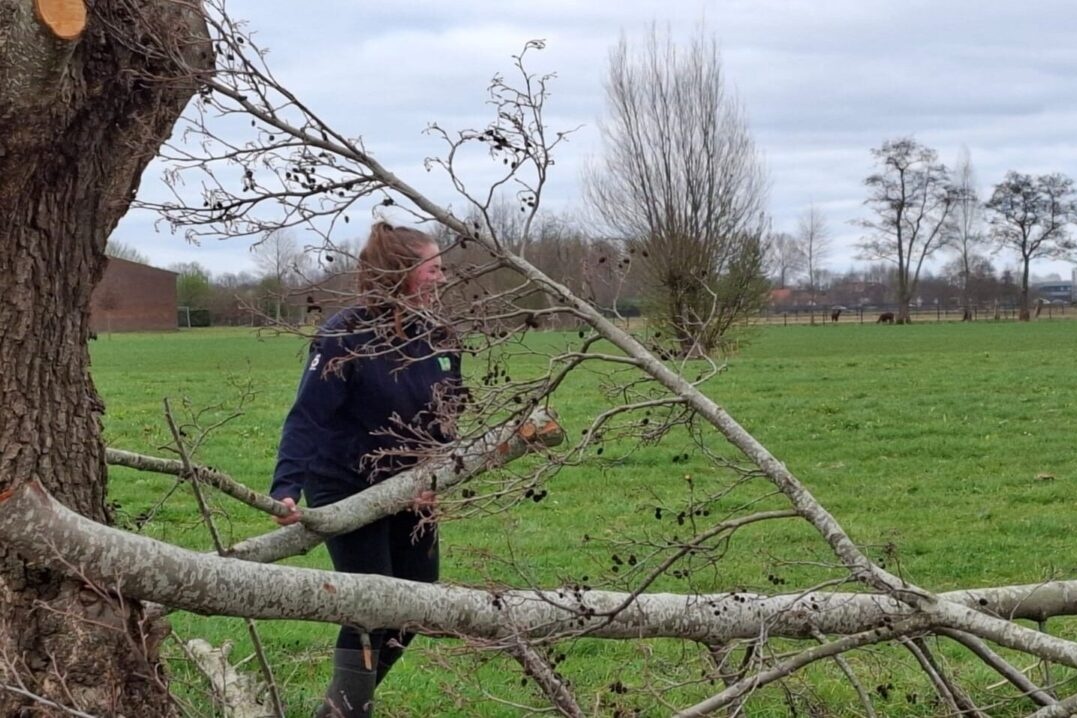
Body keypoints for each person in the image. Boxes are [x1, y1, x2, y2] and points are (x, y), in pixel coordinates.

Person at [270, 222, 461, 717]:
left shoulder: (440, 336)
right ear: (402, 272)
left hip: (411, 488)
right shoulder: (344, 336)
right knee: (372, 603)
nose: (443, 277)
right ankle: (348, 713)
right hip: (347, 486)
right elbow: (308, 416)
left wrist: (433, 475)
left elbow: (447, 412)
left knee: (415, 603)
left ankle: (342, 706)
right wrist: (286, 487)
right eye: (434, 268)